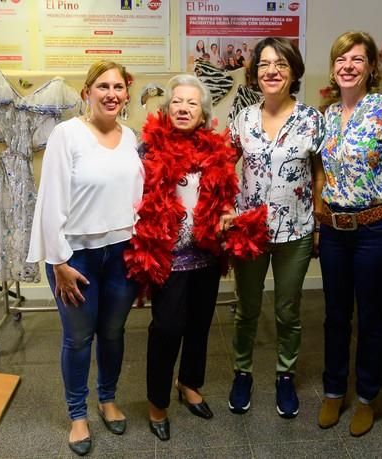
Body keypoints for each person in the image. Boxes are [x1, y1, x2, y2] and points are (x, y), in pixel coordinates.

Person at [124, 74, 262, 441]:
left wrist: (227, 211)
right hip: (167, 257)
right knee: (167, 329)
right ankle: (157, 403)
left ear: (203, 114)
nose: (183, 108)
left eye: (191, 104)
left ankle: (189, 384)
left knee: (200, 325)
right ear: (167, 110)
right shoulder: (146, 150)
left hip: (205, 254)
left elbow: (222, 195)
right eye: (176, 102)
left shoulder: (215, 152)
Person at [27, 60, 143, 456]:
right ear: (87, 92)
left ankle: (107, 398)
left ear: (126, 94)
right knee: (78, 338)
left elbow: (138, 199)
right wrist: (59, 262)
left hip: (122, 252)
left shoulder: (131, 137)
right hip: (75, 256)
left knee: (113, 332)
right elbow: (51, 200)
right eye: (102, 86)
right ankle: (78, 415)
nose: (111, 93)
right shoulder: (67, 134)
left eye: (118, 87)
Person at [316, 31, 382, 437]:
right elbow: (320, 172)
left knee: (372, 318)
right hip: (334, 232)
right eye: (342, 58)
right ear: (333, 67)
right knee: (335, 317)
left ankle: (366, 397)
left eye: (357, 59)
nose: (348, 66)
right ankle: (332, 390)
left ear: (371, 68)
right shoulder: (325, 116)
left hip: (376, 230)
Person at [228, 37, 326, 419]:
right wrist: (223, 207)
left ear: (294, 72)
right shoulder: (244, 118)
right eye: (265, 64)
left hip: (296, 231)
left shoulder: (311, 119)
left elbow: (319, 171)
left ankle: (285, 376)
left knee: (288, 310)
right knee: (247, 309)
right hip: (250, 232)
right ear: (255, 74)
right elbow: (224, 165)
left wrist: (318, 220)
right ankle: (242, 373)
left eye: (281, 64)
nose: (272, 71)